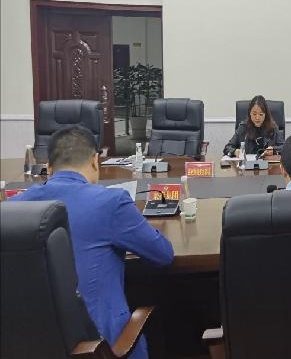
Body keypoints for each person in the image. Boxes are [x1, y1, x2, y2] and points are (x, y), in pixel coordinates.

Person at [10, 126, 173, 359]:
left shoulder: (12, 210)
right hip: (99, 348)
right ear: (95, 161)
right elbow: (163, 255)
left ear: (48, 168)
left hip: (28, 345)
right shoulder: (111, 202)